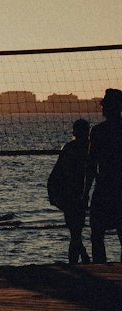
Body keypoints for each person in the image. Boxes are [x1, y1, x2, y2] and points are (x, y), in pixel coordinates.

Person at [47, 118, 91, 266]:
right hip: (74, 193)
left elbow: (56, 174)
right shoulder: (85, 149)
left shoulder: (70, 148)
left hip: (69, 193)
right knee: (76, 231)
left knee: (75, 231)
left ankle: (80, 259)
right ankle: (82, 259)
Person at [88, 88, 122, 266]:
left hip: (104, 187)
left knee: (97, 233)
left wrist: (85, 192)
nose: (101, 105)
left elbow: (91, 164)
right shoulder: (99, 131)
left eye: (105, 103)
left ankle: (99, 267)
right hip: (116, 187)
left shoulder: (98, 131)